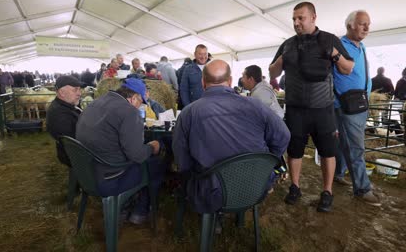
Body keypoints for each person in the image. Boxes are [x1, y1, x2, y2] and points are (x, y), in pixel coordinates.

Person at [173, 59, 290, 214]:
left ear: (203, 82)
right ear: (230, 81)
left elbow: (182, 161)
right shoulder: (255, 105)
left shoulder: (188, 112)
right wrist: (266, 161)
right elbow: (284, 136)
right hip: (255, 187)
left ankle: (216, 220)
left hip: (212, 194)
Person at [268, 2, 354, 212]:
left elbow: (348, 69)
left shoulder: (329, 39)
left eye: (301, 18)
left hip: (322, 108)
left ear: (313, 17)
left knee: (328, 151)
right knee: (294, 151)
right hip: (296, 108)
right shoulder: (288, 44)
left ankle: (327, 192)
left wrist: (334, 53)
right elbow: (272, 73)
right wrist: (281, 59)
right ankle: (295, 187)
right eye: (294, 19)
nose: (296, 22)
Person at [76, 78, 167, 224]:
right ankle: (140, 212)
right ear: (133, 98)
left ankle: (123, 207)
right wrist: (152, 146)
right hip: (110, 179)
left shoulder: (96, 102)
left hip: (87, 172)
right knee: (155, 165)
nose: (140, 107)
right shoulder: (129, 112)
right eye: (140, 102)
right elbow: (137, 156)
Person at [333, 10, 380, 206]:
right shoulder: (337, 45)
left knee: (348, 144)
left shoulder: (362, 47)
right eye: (362, 24)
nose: (367, 27)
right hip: (346, 106)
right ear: (350, 25)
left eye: (368, 24)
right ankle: (362, 188)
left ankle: (339, 173)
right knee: (356, 147)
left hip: (361, 104)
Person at [46, 76, 83, 166]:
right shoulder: (59, 114)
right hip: (77, 156)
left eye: (79, 89)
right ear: (62, 93)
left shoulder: (66, 105)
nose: (79, 93)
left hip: (75, 152)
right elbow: (77, 140)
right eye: (75, 90)